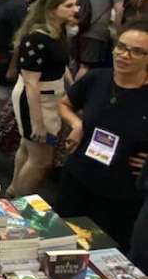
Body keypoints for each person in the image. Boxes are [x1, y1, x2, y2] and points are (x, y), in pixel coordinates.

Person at [56, 20, 148, 250]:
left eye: (136, 51)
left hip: (121, 194)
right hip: (77, 178)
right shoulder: (97, 78)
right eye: (121, 46)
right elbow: (64, 104)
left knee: (103, 253)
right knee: (62, 242)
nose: (124, 55)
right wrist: (76, 123)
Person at [7, 0, 78, 197]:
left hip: (50, 96)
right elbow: (31, 84)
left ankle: (13, 190)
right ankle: (19, 203)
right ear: (51, 9)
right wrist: (37, 122)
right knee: (41, 159)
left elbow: (60, 64)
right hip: (36, 99)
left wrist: (72, 87)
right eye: (69, 5)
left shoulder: (58, 31)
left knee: (28, 148)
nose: (76, 9)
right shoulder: (37, 38)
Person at [72, 0, 126, 77]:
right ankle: (76, 92)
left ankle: (70, 89)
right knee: (85, 67)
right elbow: (119, 11)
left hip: (74, 30)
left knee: (73, 64)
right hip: (95, 33)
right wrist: (120, 32)